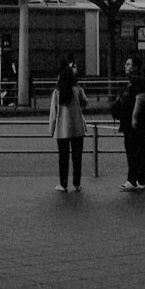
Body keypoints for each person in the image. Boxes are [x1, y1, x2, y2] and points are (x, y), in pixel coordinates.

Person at [48, 59, 88, 192]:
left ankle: (63, 184)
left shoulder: (57, 92)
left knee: (63, 158)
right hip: (77, 129)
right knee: (77, 158)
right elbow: (85, 103)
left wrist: (51, 129)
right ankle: (77, 183)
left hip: (62, 130)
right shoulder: (77, 90)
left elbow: (53, 113)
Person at [116, 54, 145, 191]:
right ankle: (140, 180)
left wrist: (134, 117)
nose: (125, 66)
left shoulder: (137, 80)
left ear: (135, 67)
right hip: (138, 123)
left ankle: (133, 180)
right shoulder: (135, 80)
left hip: (137, 124)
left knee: (134, 151)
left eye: (128, 64)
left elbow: (140, 98)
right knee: (139, 151)